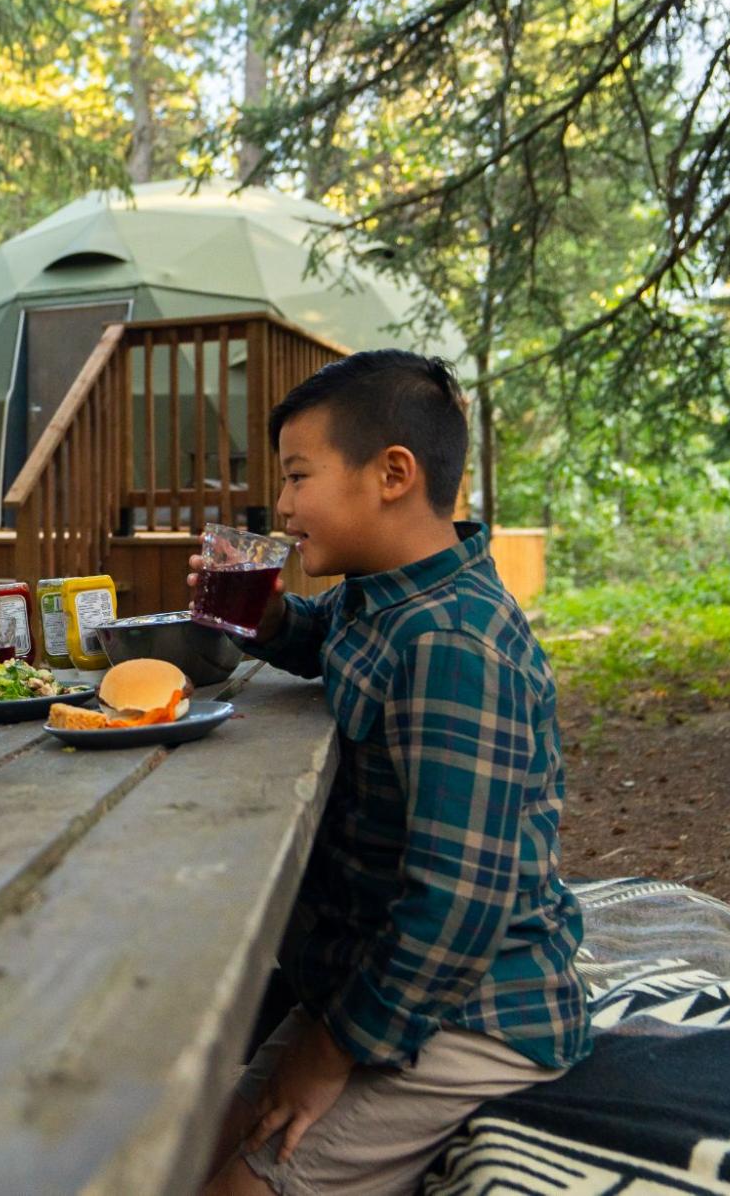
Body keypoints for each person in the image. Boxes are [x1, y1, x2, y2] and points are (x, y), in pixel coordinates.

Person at [197, 351, 591, 1196]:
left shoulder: (451, 643)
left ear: (392, 474)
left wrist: (329, 1052)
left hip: (469, 1006)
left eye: (298, 476)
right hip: (370, 973)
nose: (283, 505)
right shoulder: (385, 594)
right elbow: (325, 637)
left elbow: (458, 902)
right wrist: (268, 620)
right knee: (190, 1146)